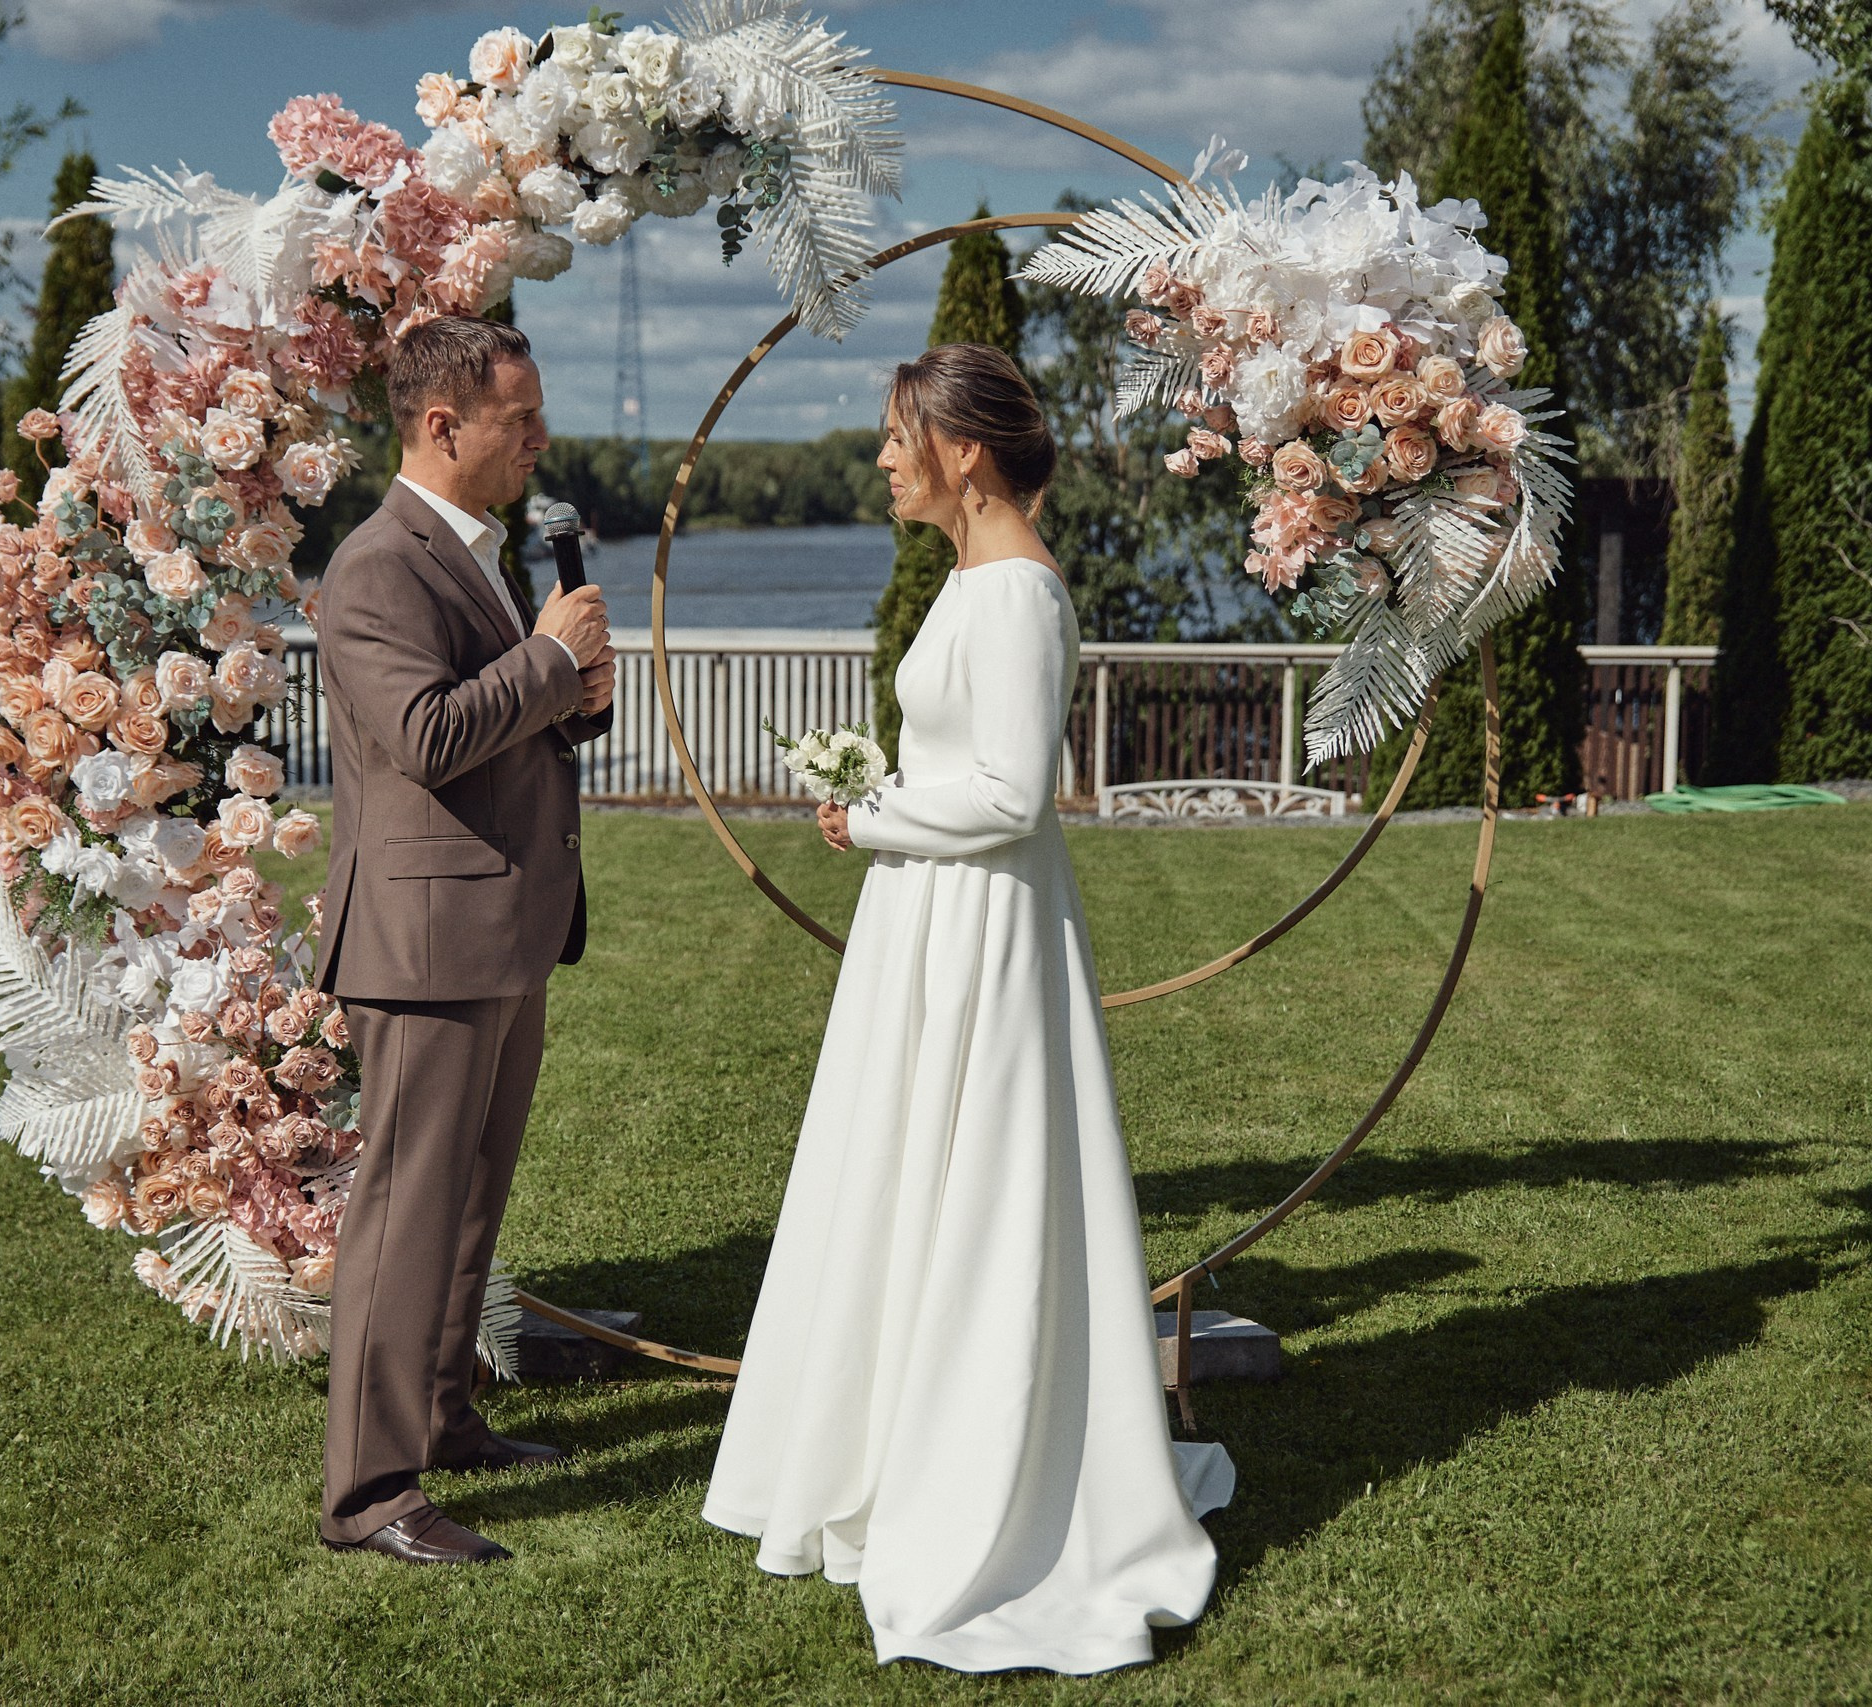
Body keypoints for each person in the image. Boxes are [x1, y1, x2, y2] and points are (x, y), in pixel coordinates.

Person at [702, 343, 1234, 1671]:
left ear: (966, 452)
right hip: (931, 916)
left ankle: (984, 1472)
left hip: (981, 920)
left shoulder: (1015, 597)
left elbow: (1010, 794)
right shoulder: (976, 581)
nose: (884, 459)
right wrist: (879, 799)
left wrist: (872, 809)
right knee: (904, 1165)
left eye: (900, 438)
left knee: (977, 1171)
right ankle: (881, 1440)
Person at [311, 316, 616, 1566]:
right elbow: (428, 736)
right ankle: (371, 1495)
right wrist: (549, 660)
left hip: (499, 928)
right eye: (520, 419)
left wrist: (570, 700)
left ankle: (443, 1417)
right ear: (445, 427)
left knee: (471, 1204)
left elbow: (502, 728)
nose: (538, 439)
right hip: (425, 940)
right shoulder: (377, 565)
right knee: (405, 1214)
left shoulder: (477, 552)